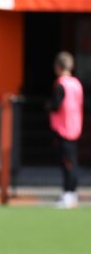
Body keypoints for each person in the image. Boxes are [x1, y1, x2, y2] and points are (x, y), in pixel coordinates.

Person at [48, 51, 83, 209]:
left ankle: (69, 192)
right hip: (75, 125)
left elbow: (56, 105)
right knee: (71, 161)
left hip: (64, 127)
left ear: (58, 66)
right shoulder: (76, 83)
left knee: (68, 163)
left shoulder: (61, 84)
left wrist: (47, 106)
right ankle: (70, 193)